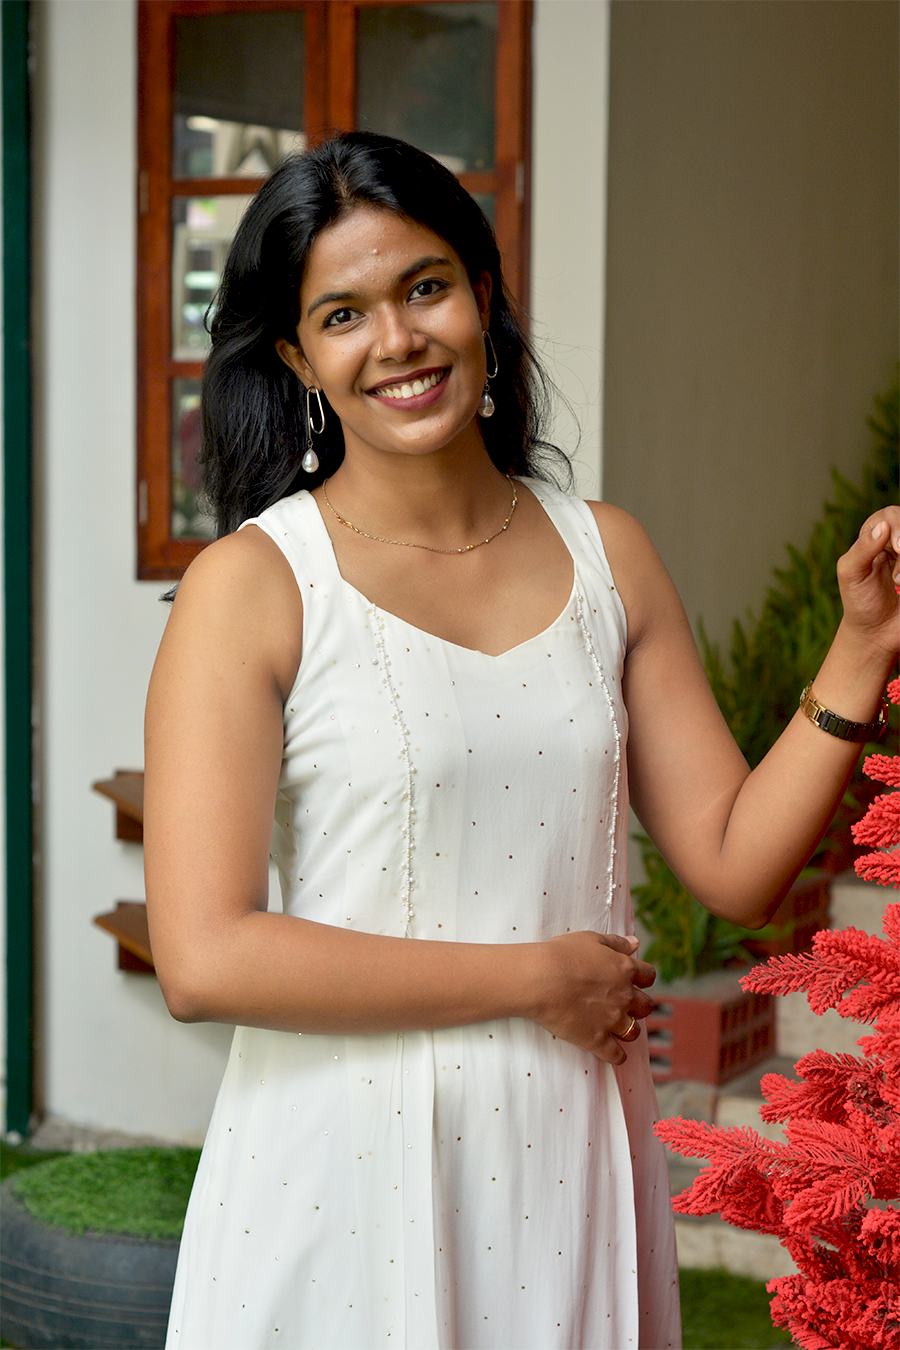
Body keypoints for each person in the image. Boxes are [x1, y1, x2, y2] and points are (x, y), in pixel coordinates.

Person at [144, 132, 899, 1350]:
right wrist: (534, 980)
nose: (398, 339)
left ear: (483, 294)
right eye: (344, 314)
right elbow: (205, 956)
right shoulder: (256, 585)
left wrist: (863, 646)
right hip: (342, 1170)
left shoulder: (608, 554)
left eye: (425, 287)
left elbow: (734, 864)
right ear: (296, 356)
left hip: (569, 1155)